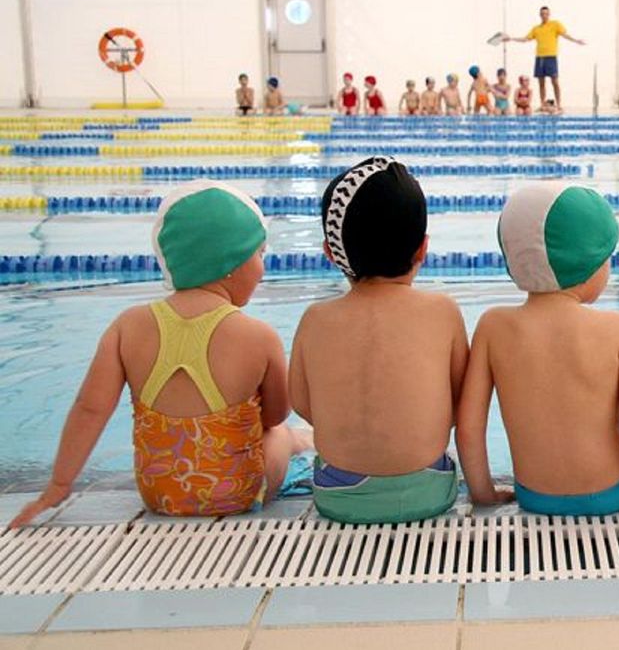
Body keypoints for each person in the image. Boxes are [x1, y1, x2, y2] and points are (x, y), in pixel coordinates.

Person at [8, 180, 311, 528]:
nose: (263, 267)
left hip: (159, 493)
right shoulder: (259, 336)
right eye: (259, 254)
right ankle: (299, 442)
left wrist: (59, 485)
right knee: (281, 434)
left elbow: (90, 408)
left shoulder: (128, 326)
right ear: (232, 260)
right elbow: (273, 415)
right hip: (237, 492)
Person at [456, 183, 619, 515]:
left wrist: (485, 496)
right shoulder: (617, 330)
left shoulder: (492, 327)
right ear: (589, 265)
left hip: (534, 496)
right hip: (610, 494)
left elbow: (469, 431)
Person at [290, 158, 467, 524]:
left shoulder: (315, 319)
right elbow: (460, 399)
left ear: (329, 252)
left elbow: (302, 404)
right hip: (428, 490)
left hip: (338, 497)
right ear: (423, 249)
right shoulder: (442, 311)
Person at [502, 6, 585, 112]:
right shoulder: (536, 29)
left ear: (549, 14)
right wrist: (511, 38)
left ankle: (559, 104)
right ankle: (542, 104)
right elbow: (525, 39)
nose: (544, 15)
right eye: (542, 14)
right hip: (540, 58)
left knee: (555, 81)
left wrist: (576, 40)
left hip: (551, 57)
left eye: (546, 13)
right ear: (540, 15)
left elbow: (565, 35)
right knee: (541, 83)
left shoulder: (555, 24)